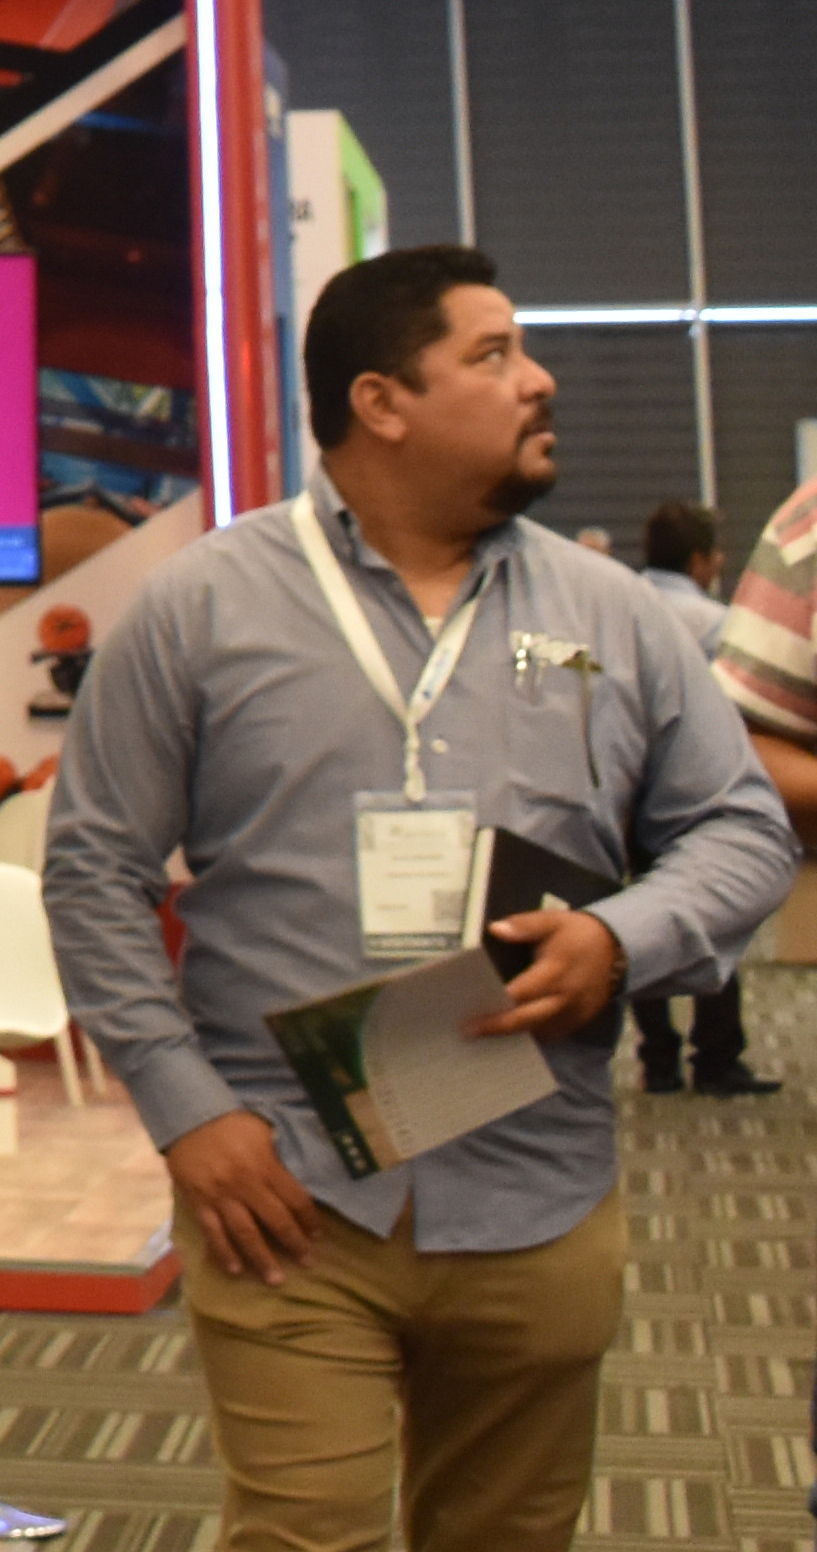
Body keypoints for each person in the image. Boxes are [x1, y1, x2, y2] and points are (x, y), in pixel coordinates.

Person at [39, 249, 795, 1552]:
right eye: (493, 354)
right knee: (306, 1533)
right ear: (382, 402)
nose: (539, 380)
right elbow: (93, 870)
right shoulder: (200, 610)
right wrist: (186, 1111)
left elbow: (741, 827)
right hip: (284, 1192)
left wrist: (621, 938)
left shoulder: (614, 616)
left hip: (538, 1184)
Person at [629, 499, 769, 1096]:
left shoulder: (615, 607)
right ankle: (715, 1057)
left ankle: (657, 1061)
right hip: (695, 790)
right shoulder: (718, 625)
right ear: (698, 561)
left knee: (637, 917)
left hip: (626, 789)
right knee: (715, 912)